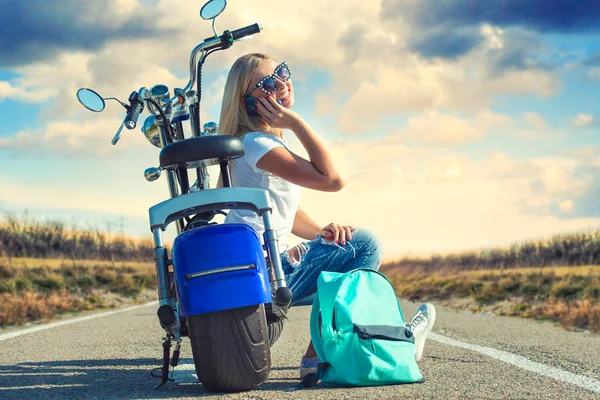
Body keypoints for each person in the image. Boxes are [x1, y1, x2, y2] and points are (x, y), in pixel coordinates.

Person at [219, 53, 436, 377]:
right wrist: (294, 121)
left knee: (348, 247)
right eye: (268, 83)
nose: (281, 82)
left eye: (282, 72)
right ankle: (320, 354)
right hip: (269, 271)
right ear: (248, 102)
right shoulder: (258, 143)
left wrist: (321, 231)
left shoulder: (253, 144)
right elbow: (333, 179)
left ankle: (363, 343)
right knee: (365, 245)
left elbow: (284, 212)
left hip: (266, 264)